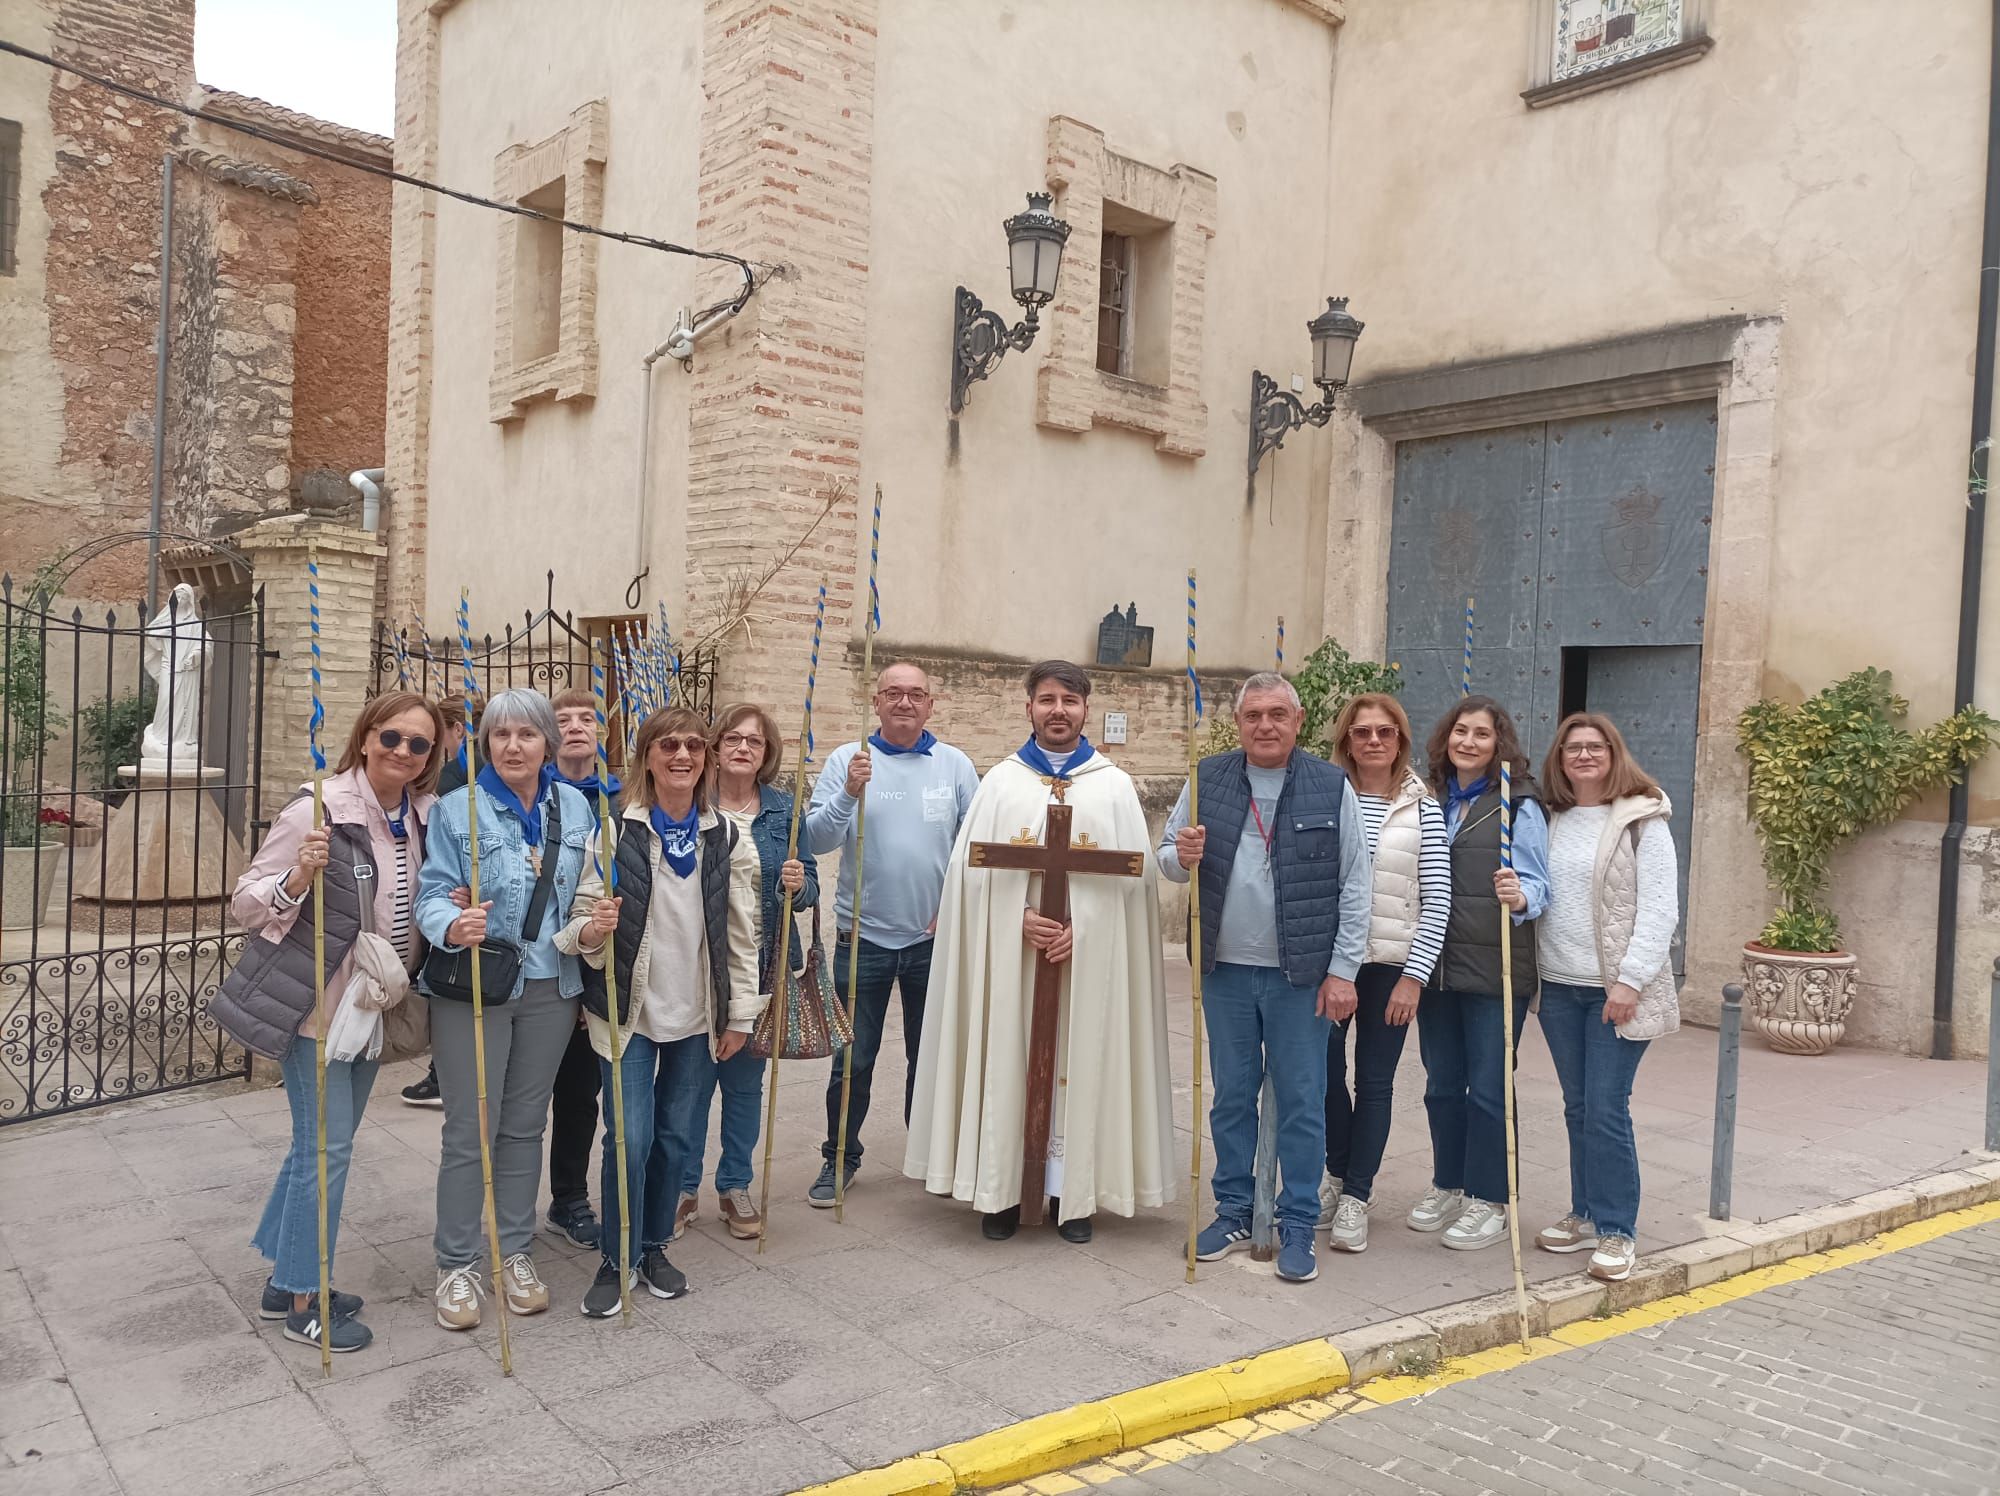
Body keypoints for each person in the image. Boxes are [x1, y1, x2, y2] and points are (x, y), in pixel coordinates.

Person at [907, 660, 1174, 1245]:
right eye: (1047, 699)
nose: (1059, 710)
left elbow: (1137, 881)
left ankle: (1072, 1195)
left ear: (1086, 710)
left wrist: (1091, 927)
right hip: (1013, 961)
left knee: (1082, 1064)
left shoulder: (1114, 785)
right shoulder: (1000, 783)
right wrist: (1015, 917)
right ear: (1028, 708)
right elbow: (968, 876)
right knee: (1008, 1058)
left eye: (1070, 701)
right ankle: (1004, 1192)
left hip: (1084, 961)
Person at [215, 691, 444, 1352]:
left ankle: (283, 1278)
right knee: (327, 1150)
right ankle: (305, 1300)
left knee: (316, 1147)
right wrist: (296, 876)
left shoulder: (424, 817)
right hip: (317, 1006)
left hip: (374, 1005)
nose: (402, 751)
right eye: (391, 737)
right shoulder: (318, 808)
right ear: (366, 737)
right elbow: (248, 904)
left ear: (432, 756)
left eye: (418, 744)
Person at [1161, 673, 1370, 1283]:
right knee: (1231, 1097)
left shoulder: (1331, 786)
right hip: (1226, 971)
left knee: (1304, 1102)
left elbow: (1355, 884)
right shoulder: (1207, 780)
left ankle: (1298, 1218)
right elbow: (1167, 861)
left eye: (1277, 714)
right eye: (1253, 715)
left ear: (1298, 720)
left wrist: (1343, 971)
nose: (1265, 726)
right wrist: (1183, 855)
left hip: (1301, 975)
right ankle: (1232, 1209)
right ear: (1238, 722)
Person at [558, 707, 763, 1318]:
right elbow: (576, 927)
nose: (682, 756)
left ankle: (653, 1247)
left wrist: (740, 1016)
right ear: (647, 755)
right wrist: (593, 932)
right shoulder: (615, 831)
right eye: (668, 745)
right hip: (626, 1014)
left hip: (696, 1016)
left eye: (694, 747)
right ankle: (615, 1258)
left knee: (675, 1142)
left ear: (705, 758)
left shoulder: (727, 836)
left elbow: (742, 936)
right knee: (630, 1137)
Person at [416, 688, 593, 1330]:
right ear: (485, 743)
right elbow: (431, 893)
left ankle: (513, 1250)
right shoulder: (455, 811)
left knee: (524, 1125)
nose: (512, 746)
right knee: (471, 1129)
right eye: (499, 735)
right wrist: (451, 923)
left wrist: (592, 930)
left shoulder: (574, 806)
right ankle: (456, 1262)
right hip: (475, 987)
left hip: (552, 987)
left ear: (547, 741)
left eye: (526, 734)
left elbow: (583, 893)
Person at [803, 662, 978, 1206]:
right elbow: (816, 838)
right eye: (894, 694)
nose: (905, 702)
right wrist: (848, 793)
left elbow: (975, 847)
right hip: (864, 936)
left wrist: (952, 908)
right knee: (852, 1058)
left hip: (934, 939)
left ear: (931, 705)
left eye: (916, 695)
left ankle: (928, 1155)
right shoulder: (847, 760)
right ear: (875, 702)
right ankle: (839, 1158)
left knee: (930, 1056)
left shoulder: (955, 765)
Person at [1532, 712, 1680, 1284]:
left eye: (1595, 747)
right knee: (1577, 1106)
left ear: (1614, 753)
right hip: (1560, 985)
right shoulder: (1551, 818)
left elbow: (1660, 908)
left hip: (1613, 990)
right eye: (1573, 748)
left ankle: (1619, 1230)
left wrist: (1630, 981)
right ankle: (1586, 1212)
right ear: (1560, 758)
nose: (1584, 756)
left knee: (1606, 1107)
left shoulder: (1643, 819)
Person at [1409, 695, 1549, 1252]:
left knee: (1489, 1089)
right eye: (1460, 731)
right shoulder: (1429, 799)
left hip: (1495, 970)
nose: (1468, 742)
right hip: (1435, 969)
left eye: (1482, 735)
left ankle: (1491, 1198)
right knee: (1441, 1087)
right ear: (1446, 738)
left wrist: (1521, 897)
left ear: (1500, 746)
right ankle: (1450, 1182)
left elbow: (1540, 884)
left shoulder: (1519, 805)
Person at [677, 702, 817, 1241]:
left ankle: (735, 1185)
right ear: (715, 747)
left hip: (764, 964)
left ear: (766, 754)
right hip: (696, 965)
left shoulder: (784, 810)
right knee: (691, 1083)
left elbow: (809, 894)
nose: (741, 748)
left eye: (753, 742)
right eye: (732, 738)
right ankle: (684, 1186)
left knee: (743, 1086)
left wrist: (797, 883)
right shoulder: (690, 804)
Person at [1319, 692, 1450, 1254]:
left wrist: (1413, 977)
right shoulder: (1325, 793)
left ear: (1401, 739)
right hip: (1330, 964)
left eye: (1385, 731)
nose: (1373, 740)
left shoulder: (1423, 806)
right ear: (1346, 739)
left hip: (1390, 967)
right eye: (1362, 731)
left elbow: (1437, 897)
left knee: (1373, 1081)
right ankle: (1338, 1173)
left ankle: (1356, 1194)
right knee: (1322, 1073)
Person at [538, 688, 620, 1251]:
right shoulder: (532, 795)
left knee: (577, 1092)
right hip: (536, 965)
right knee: (518, 1099)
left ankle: (569, 1198)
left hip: (592, 961)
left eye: (585, 719)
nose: (574, 728)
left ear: (602, 734)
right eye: (561, 720)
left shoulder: (618, 799)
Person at [403, 690, 479, 1108]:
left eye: (423, 743)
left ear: (454, 730)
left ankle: (440, 1075)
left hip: (446, 911)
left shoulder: (452, 782)